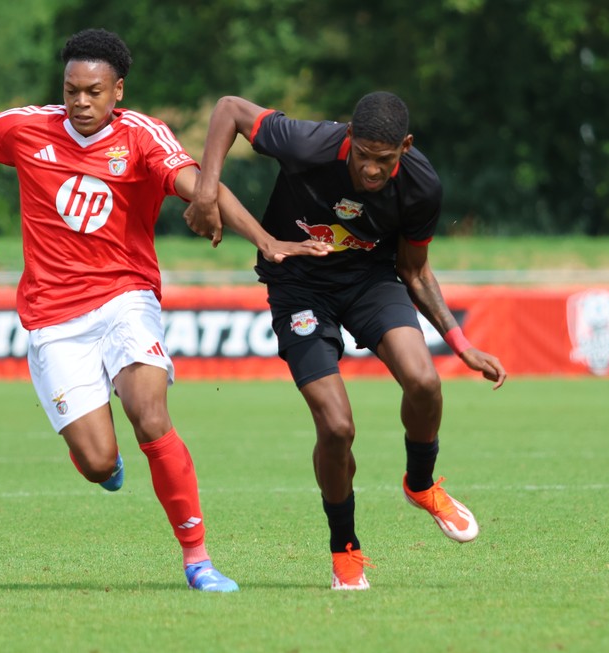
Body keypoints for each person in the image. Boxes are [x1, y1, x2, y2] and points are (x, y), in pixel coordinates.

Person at [0, 29, 329, 593]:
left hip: (126, 299)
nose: (81, 101)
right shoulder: (27, 128)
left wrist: (267, 241)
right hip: (54, 320)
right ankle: (104, 464)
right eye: (72, 89)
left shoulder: (144, 137)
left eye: (94, 91)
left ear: (117, 91)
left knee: (150, 415)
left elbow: (198, 183)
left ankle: (198, 559)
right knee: (99, 461)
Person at [184, 92, 507, 590]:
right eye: (364, 157)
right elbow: (228, 108)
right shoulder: (308, 143)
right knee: (336, 427)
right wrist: (206, 192)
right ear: (350, 138)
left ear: (406, 146)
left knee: (425, 381)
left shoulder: (421, 185)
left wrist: (460, 344)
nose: (374, 171)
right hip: (297, 284)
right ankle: (346, 550)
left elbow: (414, 272)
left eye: (386, 160)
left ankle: (420, 485)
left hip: (370, 283)